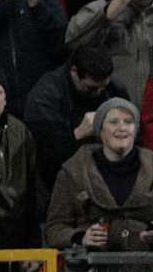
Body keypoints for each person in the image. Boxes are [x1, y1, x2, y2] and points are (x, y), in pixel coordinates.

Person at [45, 98, 153, 251]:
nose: (122, 127)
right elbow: (54, 229)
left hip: (144, 265)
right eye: (114, 122)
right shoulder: (74, 171)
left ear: (136, 129)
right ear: (100, 129)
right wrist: (81, 237)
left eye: (128, 122)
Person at [23, 44, 130, 210]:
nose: (99, 93)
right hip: (57, 188)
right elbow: (43, 154)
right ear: (74, 71)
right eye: (92, 88)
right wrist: (78, 134)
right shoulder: (45, 98)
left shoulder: (113, 88)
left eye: (103, 87)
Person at [0, 60, 39, 248]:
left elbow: (33, 192)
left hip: (16, 247)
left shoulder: (20, 132)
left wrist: (33, 244)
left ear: (5, 99)